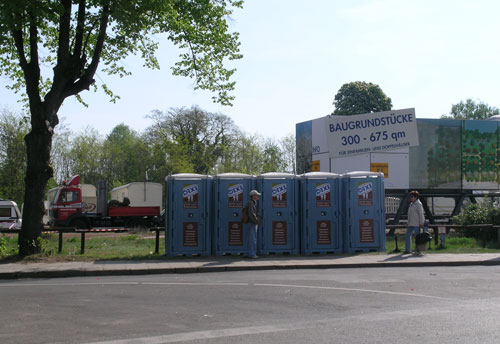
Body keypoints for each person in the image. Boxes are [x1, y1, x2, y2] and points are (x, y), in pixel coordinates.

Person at [244, 189, 261, 259]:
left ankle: (247, 253)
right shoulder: (251, 203)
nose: (258, 196)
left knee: (249, 239)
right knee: (252, 239)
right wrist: (256, 221)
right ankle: (252, 254)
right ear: (253, 196)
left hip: (248, 222)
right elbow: (251, 213)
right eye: (257, 195)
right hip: (252, 223)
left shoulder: (250, 202)